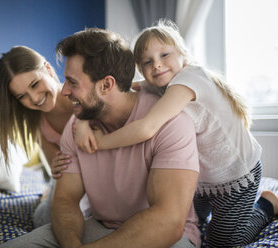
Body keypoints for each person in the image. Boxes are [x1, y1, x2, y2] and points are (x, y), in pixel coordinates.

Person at [72, 20, 278, 247]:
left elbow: (147, 128)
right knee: (184, 222)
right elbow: (113, 93)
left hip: (236, 176)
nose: (157, 65)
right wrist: (83, 119)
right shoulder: (159, 84)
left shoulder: (190, 78)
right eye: (147, 62)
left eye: (165, 55)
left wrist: (101, 142)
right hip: (203, 180)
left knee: (223, 243)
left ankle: (267, 205)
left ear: (183, 56)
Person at [0, 28, 201, 248]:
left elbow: (168, 222)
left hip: (165, 236)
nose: (64, 91)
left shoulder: (171, 124)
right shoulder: (76, 125)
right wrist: (72, 244)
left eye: (72, 82)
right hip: (102, 226)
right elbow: (65, 200)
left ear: (106, 85)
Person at [0, 45, 90, 228]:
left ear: (47, 69)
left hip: (98, 170)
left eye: (35, 84)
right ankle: (47, 196)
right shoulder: (38, 122)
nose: (35, 98)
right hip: (72, 176)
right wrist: (56, 168)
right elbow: (58, 167)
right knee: (44, 220)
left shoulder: (82, 95)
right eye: (22, 96)